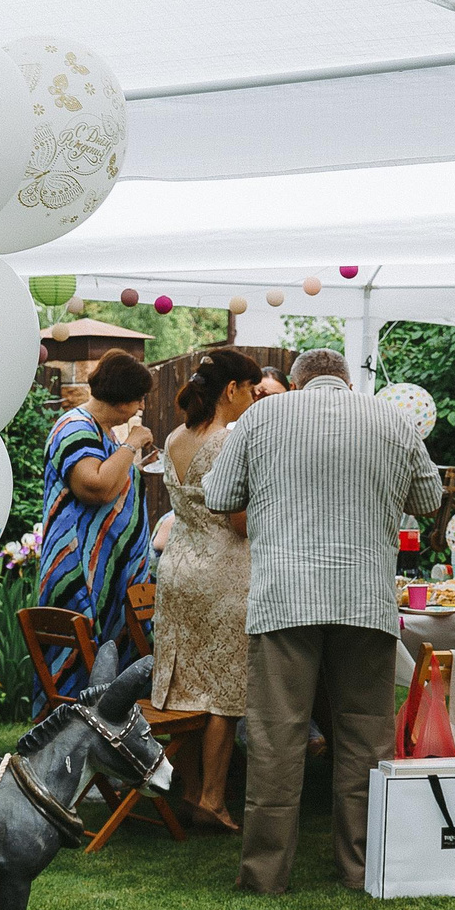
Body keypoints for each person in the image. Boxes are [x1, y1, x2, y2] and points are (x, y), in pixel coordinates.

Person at [203, 349, 441, 893]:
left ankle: (265, 874)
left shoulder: (261, 416)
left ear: (295, 381)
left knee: (275, 736)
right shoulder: (391, 417)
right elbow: (428, 500)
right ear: (348, 382)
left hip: (284, 596)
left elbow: (219, 496)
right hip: (365, 596)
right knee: (365, 736)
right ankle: (362, 866)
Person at [151, 348, 264, 830]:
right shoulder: (227, 444)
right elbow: (239, 524)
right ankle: (213, 801)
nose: (256, 400)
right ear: (231, 390)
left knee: (186, 686)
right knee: (223, 691)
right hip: (223, 572)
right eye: (253, 391)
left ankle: (189, 789)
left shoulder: (176, 437)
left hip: (177, 570)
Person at [34, 347, 155, 700]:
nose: (141, 408)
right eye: (138, 400)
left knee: (112, 668)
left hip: (109, 573)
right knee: (81, 674)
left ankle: (110, 744)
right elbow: (95, 487)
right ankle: (73, 742)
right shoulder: (76, 427)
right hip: (80, 571)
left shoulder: (103, 432)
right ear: (122, 399)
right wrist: (132, 445)